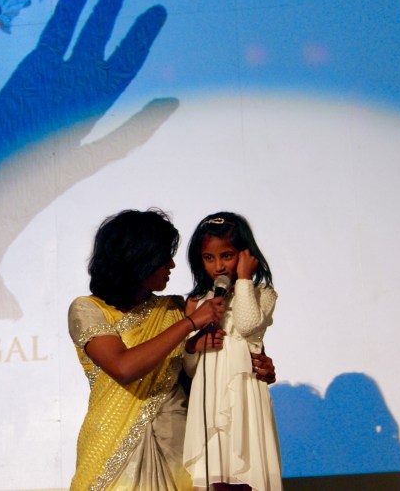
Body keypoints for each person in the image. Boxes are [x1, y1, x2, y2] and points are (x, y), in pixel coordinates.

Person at [68, 209, 275, 490]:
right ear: (138, 259)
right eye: (163, 257)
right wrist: (190, 323)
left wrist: (257, 366)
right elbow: (123, 367)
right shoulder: (88, 309)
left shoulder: (177, 308)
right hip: (112, 449)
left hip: (176, 445)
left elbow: (208, 366)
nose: (172, 265)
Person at [182, 213, 282, 490]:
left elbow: (247, 324)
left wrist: (244, 278)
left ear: (245, 254)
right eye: (209, 258)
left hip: (245, 394)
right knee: (215, 474)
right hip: (209, 398)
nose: (218, 266)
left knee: (247, 468)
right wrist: (193, 345)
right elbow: (190, 369)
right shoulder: (196, 302)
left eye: (226, 255)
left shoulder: (262, 293)